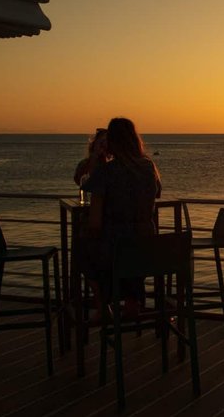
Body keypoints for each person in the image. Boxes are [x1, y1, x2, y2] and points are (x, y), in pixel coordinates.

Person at [80, 117, 162, 319]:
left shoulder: (106, 172)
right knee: (129, 251)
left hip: (115, 248)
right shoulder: (148, 167)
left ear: (112, 142)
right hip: (146, 246)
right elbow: (154, 196)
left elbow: (95, 223)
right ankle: (132, 302)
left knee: (83, 253)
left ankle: (102, 306)